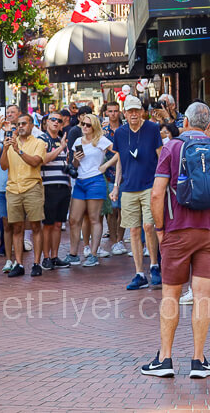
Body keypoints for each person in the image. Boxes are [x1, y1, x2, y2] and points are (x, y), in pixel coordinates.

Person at [141, 102, 210, 379]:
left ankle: (165, 359)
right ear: (208, 124)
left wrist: (160, 230)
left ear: (184, 121)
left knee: (171, 294)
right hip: (208, 230)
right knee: (202, 296)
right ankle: (198, 360)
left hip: (176, 230)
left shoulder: (171, 147)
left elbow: (157, 194)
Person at [113, 95, 163, 291]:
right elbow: (119, 161)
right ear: (124, 113)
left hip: (150, 184)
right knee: (133, 230)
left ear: (142, 111)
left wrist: (162, 181)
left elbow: (161, 155)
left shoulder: (152, 128)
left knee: (149, 226)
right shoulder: (120, 133)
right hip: (128, 187)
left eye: (136, 110)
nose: (133, 114)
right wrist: (117, 185)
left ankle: (154, 266)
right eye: (129, 111)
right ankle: (139, 273)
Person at [0, 113, 47, 277]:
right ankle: (18, 264)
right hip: (13, 189)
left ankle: (36, 263)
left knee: (35, 226)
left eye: (24, 123)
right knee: (16, 227)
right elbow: (4, 166)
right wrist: (5, 149)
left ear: (32, 125)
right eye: (18, 124)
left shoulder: (39, 143)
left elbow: (35, 162)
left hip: (32, 186)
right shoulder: (11, 143)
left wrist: (18, 150)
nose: (20, 127)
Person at [67, 114, 118, 266]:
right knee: (74, 219)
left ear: (94, 126)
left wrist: (106, 165)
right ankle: (73, 254)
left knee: (94, 218)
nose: (84, 127)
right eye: (83, 124)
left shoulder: (101, 140)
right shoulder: (77, 141)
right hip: (80, 181)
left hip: (95, 180)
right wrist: (76, 158)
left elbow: (118, 153)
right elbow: (75, 165)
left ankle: (93, 254)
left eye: (88, 125)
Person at [38, 114, 72, 270]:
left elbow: (65, 162)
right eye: (53, 120)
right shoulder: (42, 139)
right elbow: (43, 159)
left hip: (63, 186)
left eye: (59, 121)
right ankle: (46, 257)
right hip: (48, 187)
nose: (56, 122)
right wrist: (61, 148)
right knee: (48, 224)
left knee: (58, 224)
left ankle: (55, 256)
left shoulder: (61, 140)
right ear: (46, 123)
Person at [101, 101, 127, 256]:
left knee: (123, 209)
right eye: (110, 111)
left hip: (125, 172)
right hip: (108, 173)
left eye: (116, 111)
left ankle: (120, 239)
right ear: (106, 113)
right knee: (112, 209)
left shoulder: (125, 129)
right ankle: (113, 238)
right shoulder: (103, 131)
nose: (113, 114)